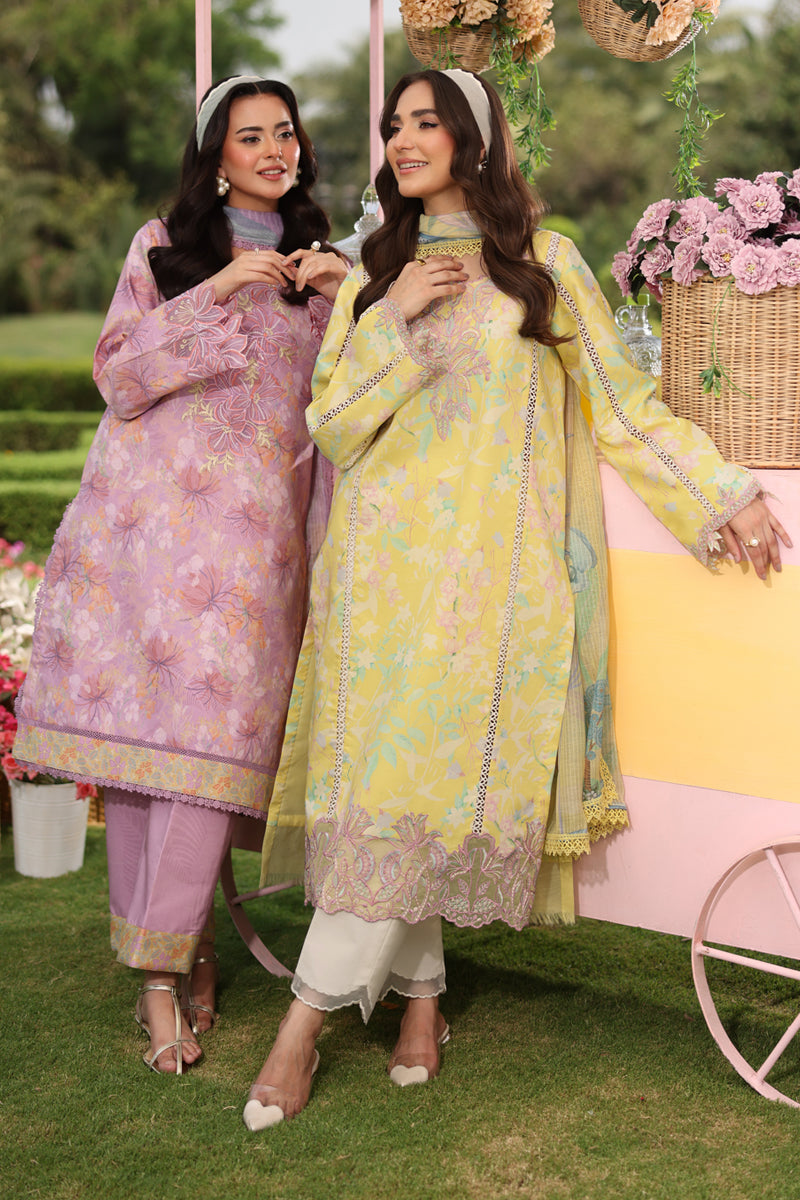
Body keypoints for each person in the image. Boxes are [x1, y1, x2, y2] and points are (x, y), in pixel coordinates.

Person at [241, 68, 791, 1128]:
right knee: (389, 799)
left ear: (477, 139)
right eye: (393, 125)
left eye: (427, 122)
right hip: (379, 582)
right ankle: (421, 999)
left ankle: (299, 1029)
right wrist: (394, 318)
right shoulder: (375, 276)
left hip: (490, 586)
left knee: (418, 791)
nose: (404, 140)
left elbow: (621, 407)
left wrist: (719, 491)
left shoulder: (544, 265)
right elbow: (334, 427)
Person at [13, 76, 348, 1074]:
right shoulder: (164, 248)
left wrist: (347, 296)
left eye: (285, 133)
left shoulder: (322, 270)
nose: (275, 151)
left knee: (210, 761)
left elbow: (347, 403)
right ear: (216, 158)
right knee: (150, 758)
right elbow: (117, 374)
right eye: (251, 137)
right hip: (155, 548)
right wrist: (220, 288)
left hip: (259, 560)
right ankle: (162, 976)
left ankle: (177, 947)